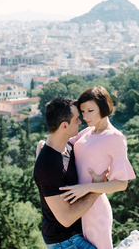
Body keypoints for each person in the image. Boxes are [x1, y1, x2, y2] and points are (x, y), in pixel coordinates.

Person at [37, 87, 136, 249]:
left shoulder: (115, 138)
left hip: (95, 209)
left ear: (104, 107)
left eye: (90, 110)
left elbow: (121, 184)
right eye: (82, 112)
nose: (85, 117)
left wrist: (89, 188)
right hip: (77, 210)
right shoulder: (87, 132)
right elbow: (61, 141)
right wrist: (41, 145)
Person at [34, 97, 107, 249]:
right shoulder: (48, 165)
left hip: (75, 235)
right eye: (76, 119)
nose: (80, 121)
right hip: (65, 241)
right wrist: (97, 188)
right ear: (64, 126)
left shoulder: (67, 146)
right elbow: (66, 219)